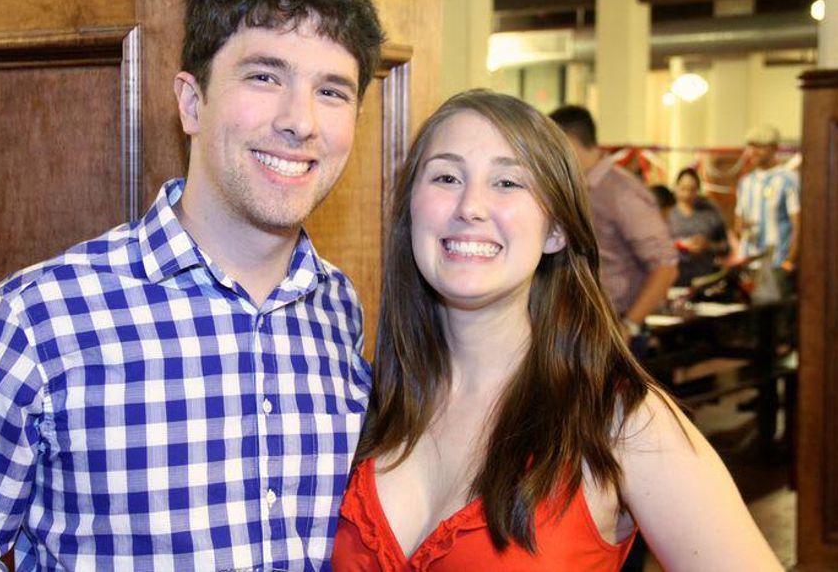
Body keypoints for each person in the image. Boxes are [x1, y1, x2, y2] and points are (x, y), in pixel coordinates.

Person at [0, 0, 384, 571]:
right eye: (264, 75)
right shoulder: (37, 320)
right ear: (191, 102)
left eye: (332, 91)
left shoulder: (338, 311)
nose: (299, 121)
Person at [331, 90, 782, 571]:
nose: (471, 206)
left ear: (556, 230)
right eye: (446, 177)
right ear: (410, 212)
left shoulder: (619, 418)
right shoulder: (364, 400)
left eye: (507, 182)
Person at [548, 106, 678, 348]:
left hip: (613, 327)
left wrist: (628, 325)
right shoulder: (576, 188)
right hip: (573, 323)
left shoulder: (621, 192)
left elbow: (665, 266)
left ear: (569, 141)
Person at [734, 125, 800, 276]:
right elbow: (738, 225)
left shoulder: (788, 179)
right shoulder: (745, 183)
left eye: (760, 147)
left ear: (774, 148)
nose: (753, 152)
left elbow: (798, 225)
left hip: (777, 264)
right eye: (751, 146)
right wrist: (743, 227)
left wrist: (789, 262)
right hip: (749, 263)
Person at [668, 167, 729, 287]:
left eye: (692, 189)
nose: (687, 194)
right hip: (674, 278)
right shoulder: (668, 212)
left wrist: (708, 245)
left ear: (698, 190)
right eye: (683, 189)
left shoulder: (710, 212)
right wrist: (680, 246)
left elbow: (725, 246)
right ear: (676, 187)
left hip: (704, 279)